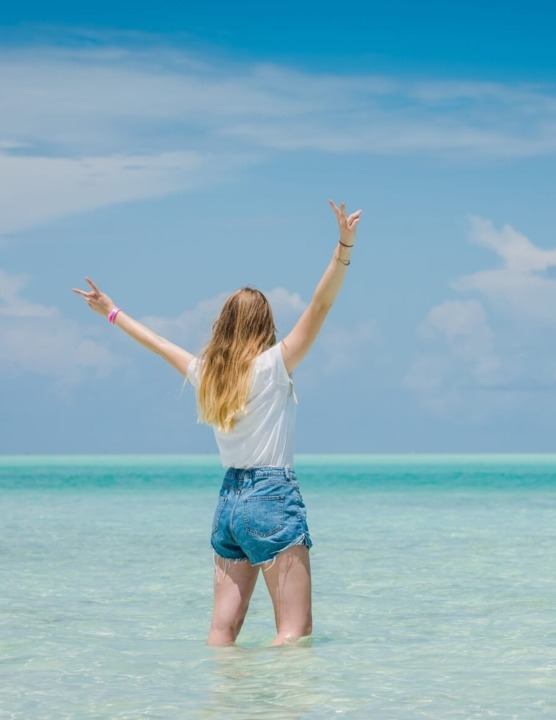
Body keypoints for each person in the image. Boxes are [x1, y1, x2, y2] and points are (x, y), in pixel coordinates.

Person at [73, 200, 362, 646]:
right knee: (294, 632)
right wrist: (343, 247)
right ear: (265, 325)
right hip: (271, 497)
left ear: (224, 325)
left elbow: (159, 343)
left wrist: (112, 313)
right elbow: (320, 306)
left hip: (229, 503)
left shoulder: (208, 374)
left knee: (222, 630)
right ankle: (283, 712)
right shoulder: (274, 365)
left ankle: (224, 706)